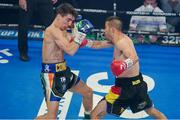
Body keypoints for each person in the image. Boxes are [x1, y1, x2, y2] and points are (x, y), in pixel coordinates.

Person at [81, 16, 167, 119]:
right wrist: (84, 42)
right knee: (151, 111)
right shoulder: (117, 40)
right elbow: (98, 44)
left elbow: (134, 58)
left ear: (112, 29)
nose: (104, 31)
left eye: (106, 28)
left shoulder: (122, 42)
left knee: (95, 114)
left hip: (124, 88)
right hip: (137, 85)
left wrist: (123, 65)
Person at [36, 3, 94, 119]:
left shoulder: (63, 31)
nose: (69, 24)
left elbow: (87, 43)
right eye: (68, 20)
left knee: (88, 92)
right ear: (59, 15)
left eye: (71, 21)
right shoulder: (52, 31)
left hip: (64, 71)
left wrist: (111, 43)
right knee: (51, 117)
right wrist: (80, 34)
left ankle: (88, 117)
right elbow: (70, 50)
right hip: (51, 75)